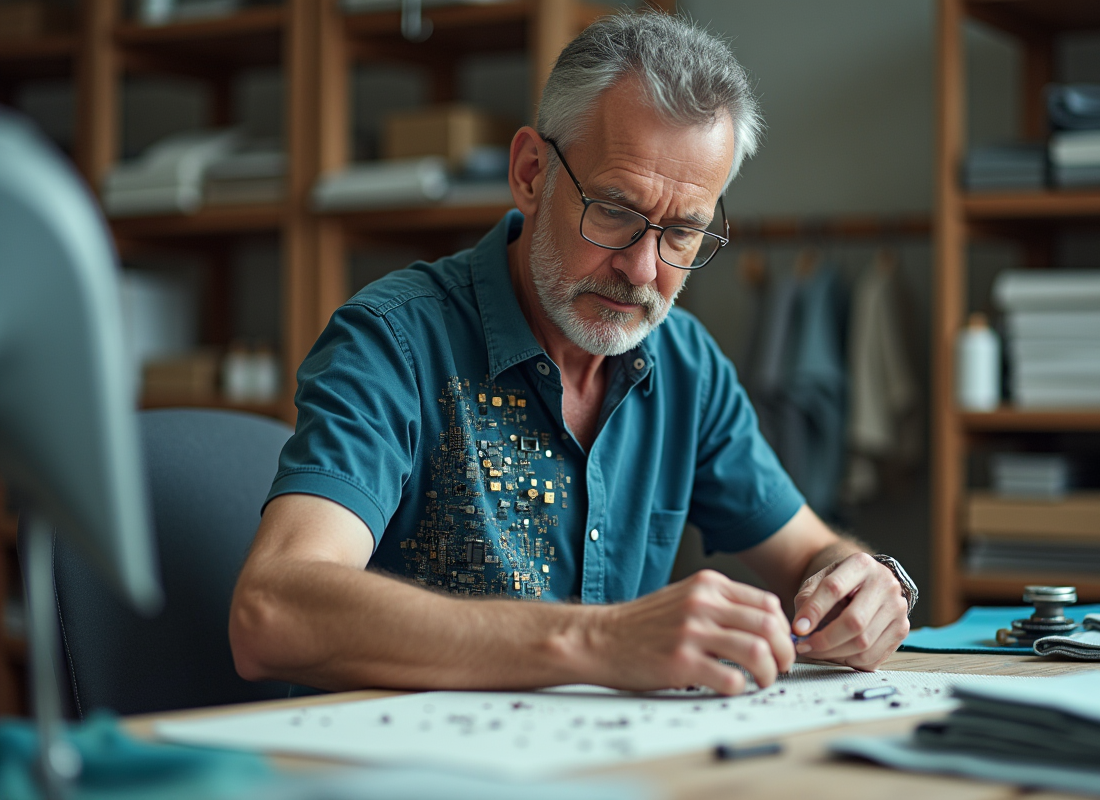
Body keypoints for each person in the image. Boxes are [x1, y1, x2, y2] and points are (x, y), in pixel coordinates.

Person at [229, 11, 916, 697]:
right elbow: (271, 612)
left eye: (682, 233)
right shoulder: (394, 342)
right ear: (530, 173)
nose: (643, 271)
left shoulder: (686, 364)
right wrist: (598, 640)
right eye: (614, 211)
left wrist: (860, 585)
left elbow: (810, 552)